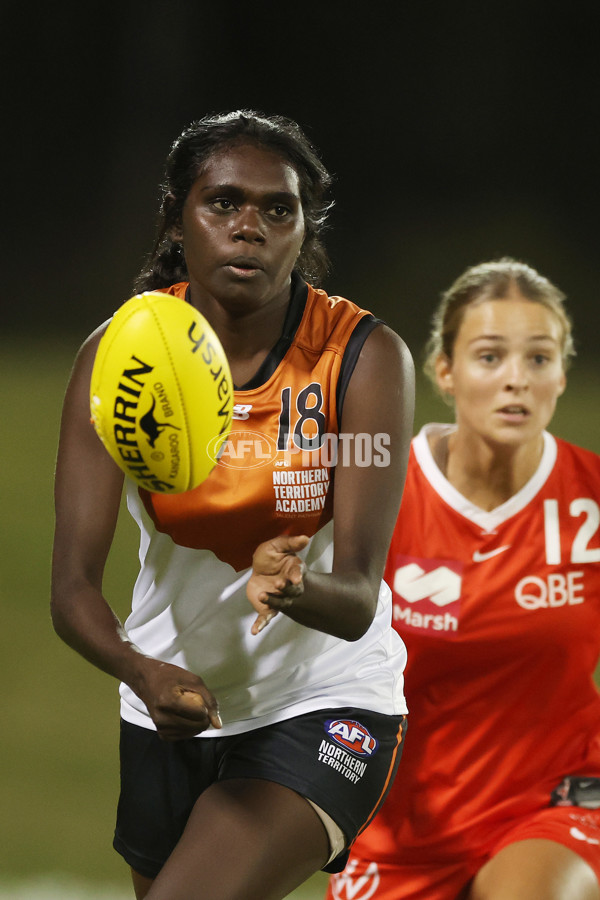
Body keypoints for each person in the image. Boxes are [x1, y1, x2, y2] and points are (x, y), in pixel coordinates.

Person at [50, 110, 415, 900]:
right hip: (171, 702)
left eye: (276, 208)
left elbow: (355, 595)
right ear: (179, 221)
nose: (249, 226)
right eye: (223, 203)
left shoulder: (361, 360)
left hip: (321, 699)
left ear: (301, 227)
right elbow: (72, 588)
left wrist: (292, 585)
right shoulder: (117, 361)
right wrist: (139, 671)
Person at [326, 258, 600, 900]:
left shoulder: (590, 503)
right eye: (489, 357)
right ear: (444, 372)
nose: (517, 381)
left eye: (539, 358)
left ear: (562, 373)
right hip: (397, 831)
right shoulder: (379, 498)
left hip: (553, 804)